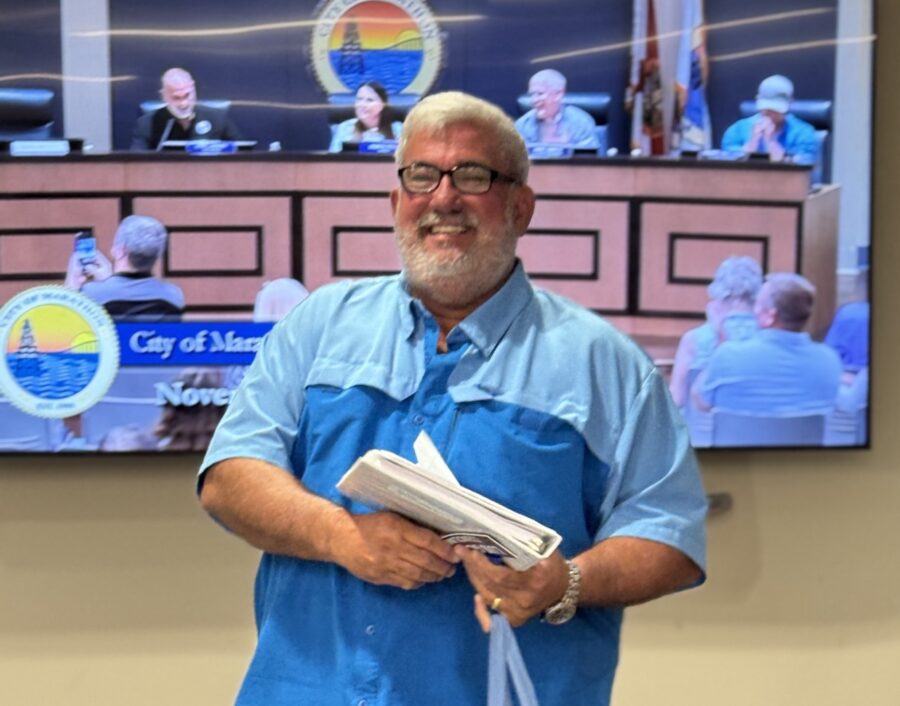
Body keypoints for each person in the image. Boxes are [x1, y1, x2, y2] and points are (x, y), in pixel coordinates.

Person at [198, 91, 706, 706]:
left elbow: (669, 537)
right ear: (395, 202)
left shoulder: (605, 364)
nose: (443, 198)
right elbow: (229, 479)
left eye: (472, 175)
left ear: (522, 206)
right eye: (421, 176)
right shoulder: (318, 325)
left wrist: (564, 582)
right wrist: (342, 537)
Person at [694, 272, 842, 415]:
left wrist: (721, 336)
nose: (753, 312)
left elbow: (701, 402)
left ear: (770, 316)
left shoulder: (728, 354)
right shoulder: (830, 360)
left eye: (757, 304)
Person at [669, 255, 763, 409]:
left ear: (718, 292)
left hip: (701, 431)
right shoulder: (770, 340)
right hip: (762, 431)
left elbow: (676, 400)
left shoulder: (693, 340)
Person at [65, 215, 184, 321]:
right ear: (158, 254)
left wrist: (72, 280)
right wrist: (108, 280)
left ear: (120, 251)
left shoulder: (90, 294)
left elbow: (64, 328)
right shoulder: (174, 296)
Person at [130, 67, 243, 151]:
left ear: (194, 90)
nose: (183, 104)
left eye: (187, 95)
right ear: (163, 96)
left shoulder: (217, 118)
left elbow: (242, 151)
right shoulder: (148, 123)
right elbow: (136, 161)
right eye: (176, 98)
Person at [720, 74, 818, 165]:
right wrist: (752, 143)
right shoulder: (737, 130)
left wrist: (771, 142)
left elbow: (802, 167)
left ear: (790, 102)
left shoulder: (804, 133)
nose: (770, 113)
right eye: (766, 109)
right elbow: (728, 165)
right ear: (758, 100)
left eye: (776, 109)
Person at [514, 69, 599, 149]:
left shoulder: (581, 122)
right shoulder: (522, 125)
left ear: (558, 94)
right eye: (532, 94)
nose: (534, 100)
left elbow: (590, 160)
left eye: (539, 94)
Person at [328, 80, 403, 152]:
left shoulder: (398, 129)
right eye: (359, 99)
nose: (362, 104)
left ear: (382, 105)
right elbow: (332, 161)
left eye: (370, 100)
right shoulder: (345, 128)